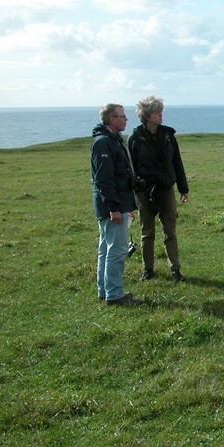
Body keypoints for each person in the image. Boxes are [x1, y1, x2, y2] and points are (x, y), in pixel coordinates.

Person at [127, 95, 190, 282]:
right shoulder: (135, 138)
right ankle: (148, 269)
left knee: (170, 230)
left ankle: (175, 269)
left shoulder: (168, 136)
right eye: (157, 112)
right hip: (144, 190)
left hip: (166, 188)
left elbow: (177, 162)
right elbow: (131, 167)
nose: (161, 115)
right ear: (147, 116)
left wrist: (183, 188)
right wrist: (134, 193)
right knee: (147, 231)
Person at [90, 104, 141, 306]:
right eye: (122, 116)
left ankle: (105, 290)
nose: (126, 120)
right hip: (112, 205)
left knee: (106, 247)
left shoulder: (112, 141)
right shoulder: (104, 143)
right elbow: (104, 179)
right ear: (112, 119)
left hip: (115, 203)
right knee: (117, 250)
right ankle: (115, 294)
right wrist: (113, 208)